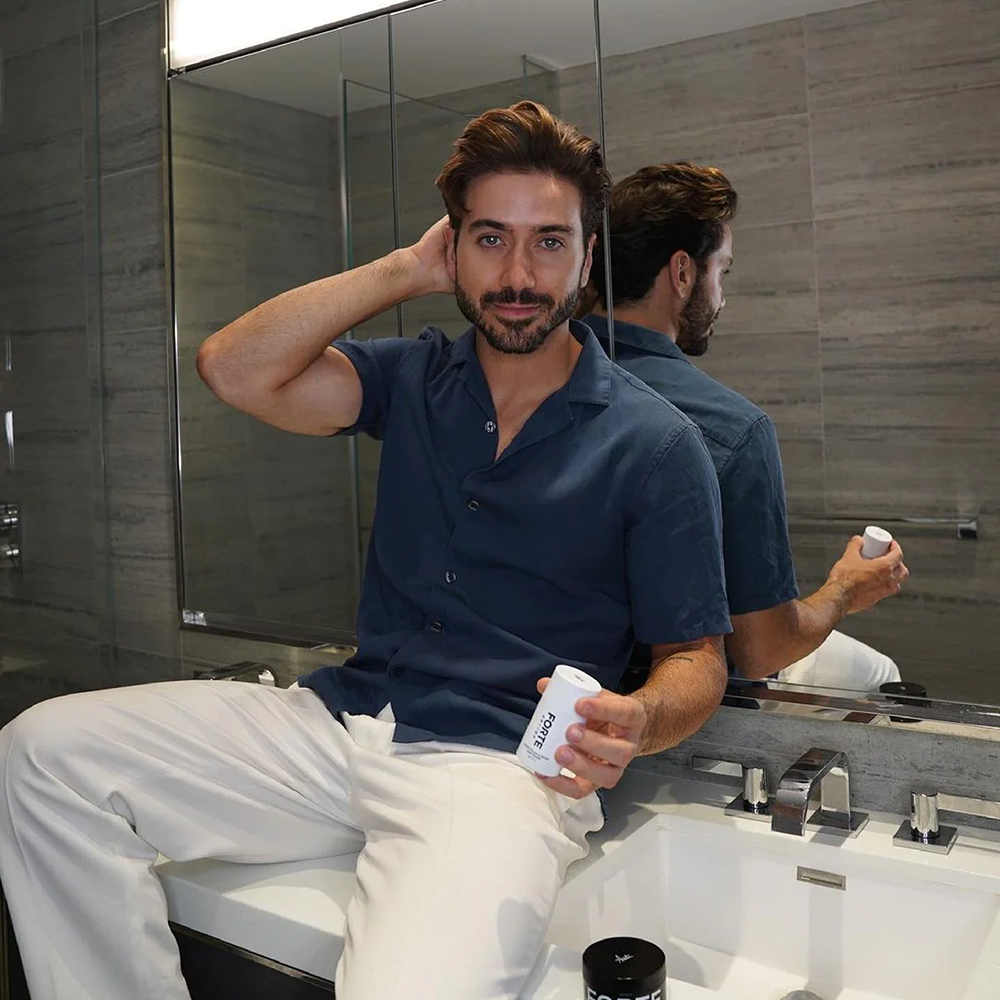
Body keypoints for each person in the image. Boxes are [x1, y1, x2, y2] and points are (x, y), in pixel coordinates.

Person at [0, 106, 732, 1000]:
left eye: (549, 242)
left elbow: (697, 658)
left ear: (587, 262)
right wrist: (404, 271)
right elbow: (233, 367)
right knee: (42, 755)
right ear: (453, 248)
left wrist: (643, 719)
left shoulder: (657, 445)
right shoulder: (413, 377)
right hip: (340, 723)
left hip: (496, 771)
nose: (516, 274)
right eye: (489, 239)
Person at [582, 162, 909, 685]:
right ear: (683, 273)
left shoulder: (538, 378)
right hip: (680, 696)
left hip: (559, 678)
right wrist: (847, 588)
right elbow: (763, 650)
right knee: (881, 675)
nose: (722, 297)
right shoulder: (732, 429)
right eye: (723, 272)